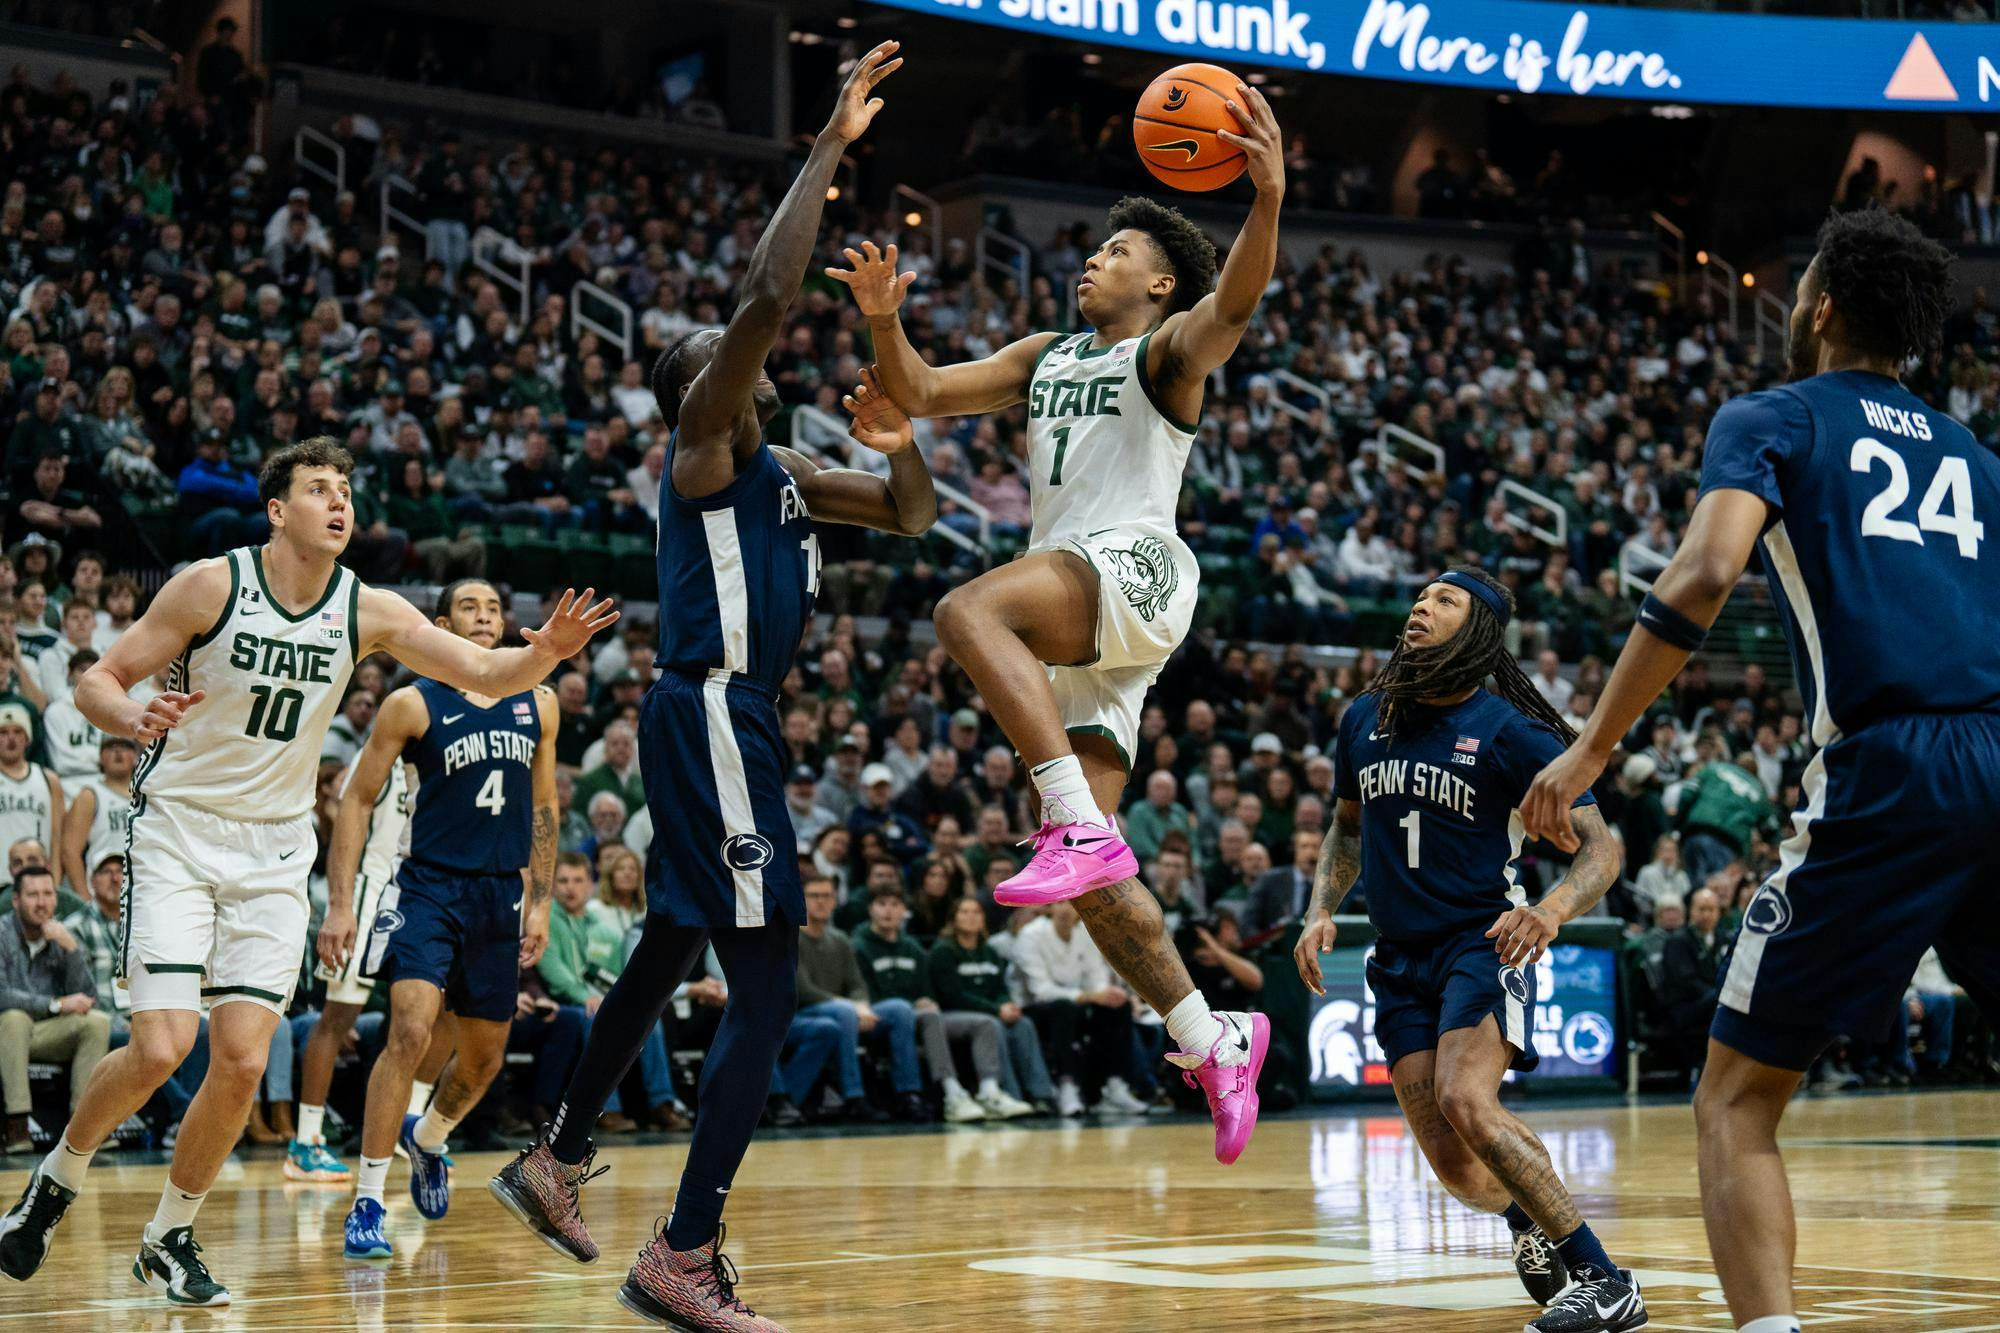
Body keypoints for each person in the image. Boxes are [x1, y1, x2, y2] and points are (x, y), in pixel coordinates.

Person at [486, 45, 930, 1333]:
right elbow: (762, 294)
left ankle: (556, 1152)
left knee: (673, 940)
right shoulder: (701, 448)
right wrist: (828, 147)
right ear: (700, 388)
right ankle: (683, 1248)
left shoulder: (781, 465)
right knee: (771, 979)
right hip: (711, 704)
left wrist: (900, 440)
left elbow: (908, 517)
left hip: (721, 716)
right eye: (708, 350)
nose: (725, 342)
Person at [1522, 209, 2000, 1333]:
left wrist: (1592, 742)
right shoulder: (1976, 457)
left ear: (1821, 304)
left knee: (1733, 1098)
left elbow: (1702, 572)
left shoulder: (1773, 413)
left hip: (1891, 764)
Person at [0, 437, 614, 1304]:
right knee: (164, 1044)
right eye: (319, 488)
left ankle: (169, 1234)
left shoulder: (367, 608)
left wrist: (546, 649)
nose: (340, 501)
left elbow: (485, 668)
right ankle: (53, 1181)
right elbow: (99, 677)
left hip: (279, 848)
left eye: (347, 490)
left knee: (245, 1060)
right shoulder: (212, 583)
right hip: (178, 830)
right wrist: (133, 713)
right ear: (277, 509)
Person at [832, 78, 1288, 1165]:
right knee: (1094, 891)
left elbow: (1233, 308)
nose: (1091, 261)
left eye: (1115, 252)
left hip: (1128, 564)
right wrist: (885, 323)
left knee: (964, 605)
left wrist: (1263, 203)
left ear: (1159, 279)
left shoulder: (1165, 351)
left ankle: (1070, 818)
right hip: (1085, 615)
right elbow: (924, 393)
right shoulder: (1044, 356)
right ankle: (1210, 1033)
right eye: (1092, 251)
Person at [1293, 567, 1643, 1331]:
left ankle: (1605, 1278)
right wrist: (1321, 909)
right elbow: (1349, 828)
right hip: (1396, 957)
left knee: (1465, 1098)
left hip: (1481, 941)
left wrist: (1551, 909)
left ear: (1478, 630)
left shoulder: (1514, 734)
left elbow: (1601, 851)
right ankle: (1528, 1215)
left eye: (1443, 599)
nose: (1420, 605)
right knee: (1456, 1168)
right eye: (1418, 596)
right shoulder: (1363, 718)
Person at [320, 577, 560, 1258]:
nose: (484, 616)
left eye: (493, 607)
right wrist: (342, 899)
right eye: (469, 607)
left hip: (499, 895)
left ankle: (427, 1139)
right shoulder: (410, 703)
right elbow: (356, 798)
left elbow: (543, 807)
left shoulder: (538, 702)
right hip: (426, 886)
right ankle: (366, 1200)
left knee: (482, 1060)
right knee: (409, 1029)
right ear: (440, 622)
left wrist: (538, 899)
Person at [291, 751, 452, 1184]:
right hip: (370, 894)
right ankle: (306, 1141)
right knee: (338, 1017)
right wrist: (341, 905)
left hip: (422, 897)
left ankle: (411, 1126)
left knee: (440, 1012)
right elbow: (345, 822)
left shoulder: (447, 744)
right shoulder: (378, 752)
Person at [0, 868, 108, 1153]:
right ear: (15, 900)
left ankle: (82, 1125)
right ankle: (17, 1125)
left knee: (96, 1023)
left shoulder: (61, 936)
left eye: (48, 894)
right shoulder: (1, 933)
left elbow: (88, 998)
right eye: (33, 894)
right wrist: (55, 1004)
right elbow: (1, 995)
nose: (41, 902)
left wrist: (71, 950)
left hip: (45, 1033)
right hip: (7, 1034)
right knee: (13, 1019)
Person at [56, 735, 130, 908]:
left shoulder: (148, 794)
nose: (118, 752)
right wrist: (85, 900)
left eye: (125, 747)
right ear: (100, 758)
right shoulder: (89, 796)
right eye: (111, 747)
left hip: (142, 888)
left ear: (135, 757)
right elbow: (69, 851)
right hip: (103, 891)